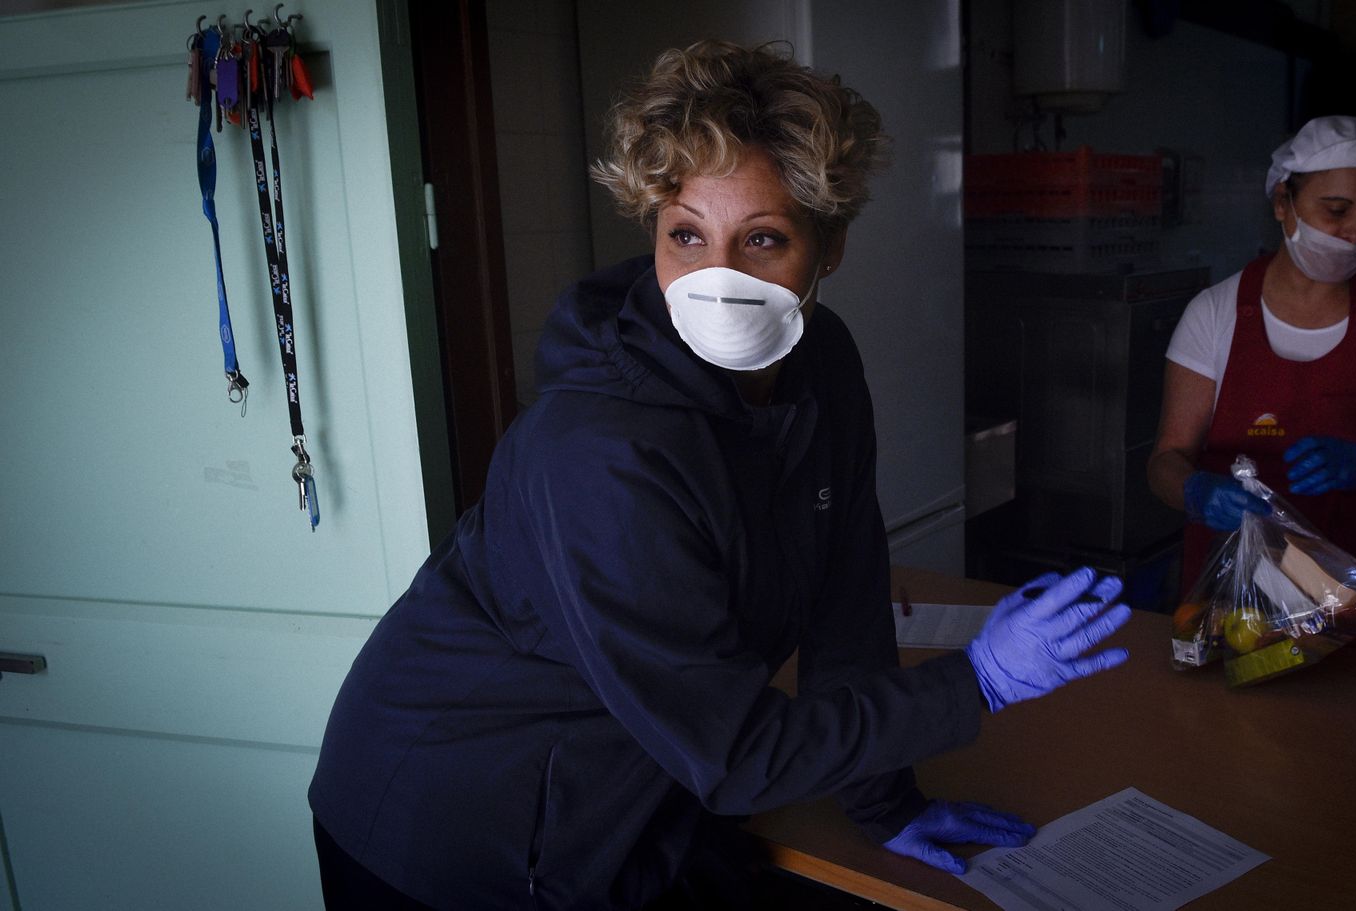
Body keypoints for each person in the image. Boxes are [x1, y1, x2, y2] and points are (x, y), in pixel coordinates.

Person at [309, 40, 1132, 910]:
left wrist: (883, 802)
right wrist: (978, 681)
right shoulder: (598, 450)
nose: (718, 279)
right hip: (454, 823)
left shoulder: (823, 364)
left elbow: (844, 602)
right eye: (687, 235)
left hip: (637, 779)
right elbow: (737, 754)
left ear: (830, 248)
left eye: (764, 239)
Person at [1148, 115, 1356, 657]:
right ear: (1282, 203)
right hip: (1234, 610)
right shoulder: (1215, 314)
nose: (1355, 232)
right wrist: (1196, 491)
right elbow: (1166, 460)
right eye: (1335, 210)